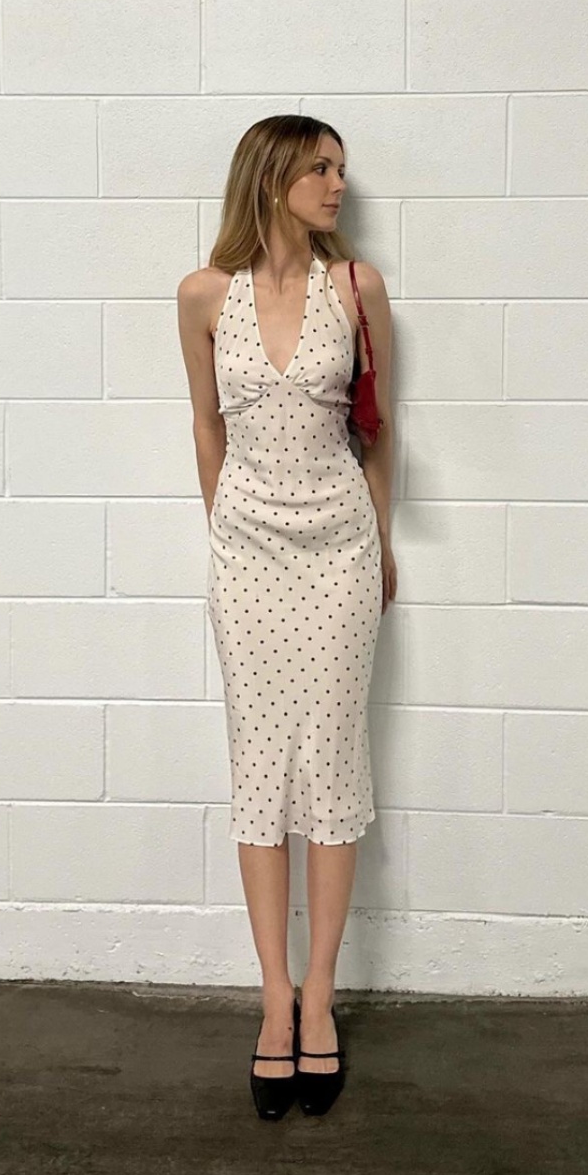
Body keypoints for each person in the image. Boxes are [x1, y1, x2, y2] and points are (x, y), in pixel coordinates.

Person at [177, 115, 397, 1119]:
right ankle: (274, 998)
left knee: (332, 761)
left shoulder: (355, 287)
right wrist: (223, 527)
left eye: (340, 169)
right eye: (319, 167)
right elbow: (204, 422)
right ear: (270, 178)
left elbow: (380, 428)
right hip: (248, 554)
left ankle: (320, 994)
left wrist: (380, 542)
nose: (336, 184)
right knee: (259, 765)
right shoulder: (202, 295)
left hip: (339, 547)